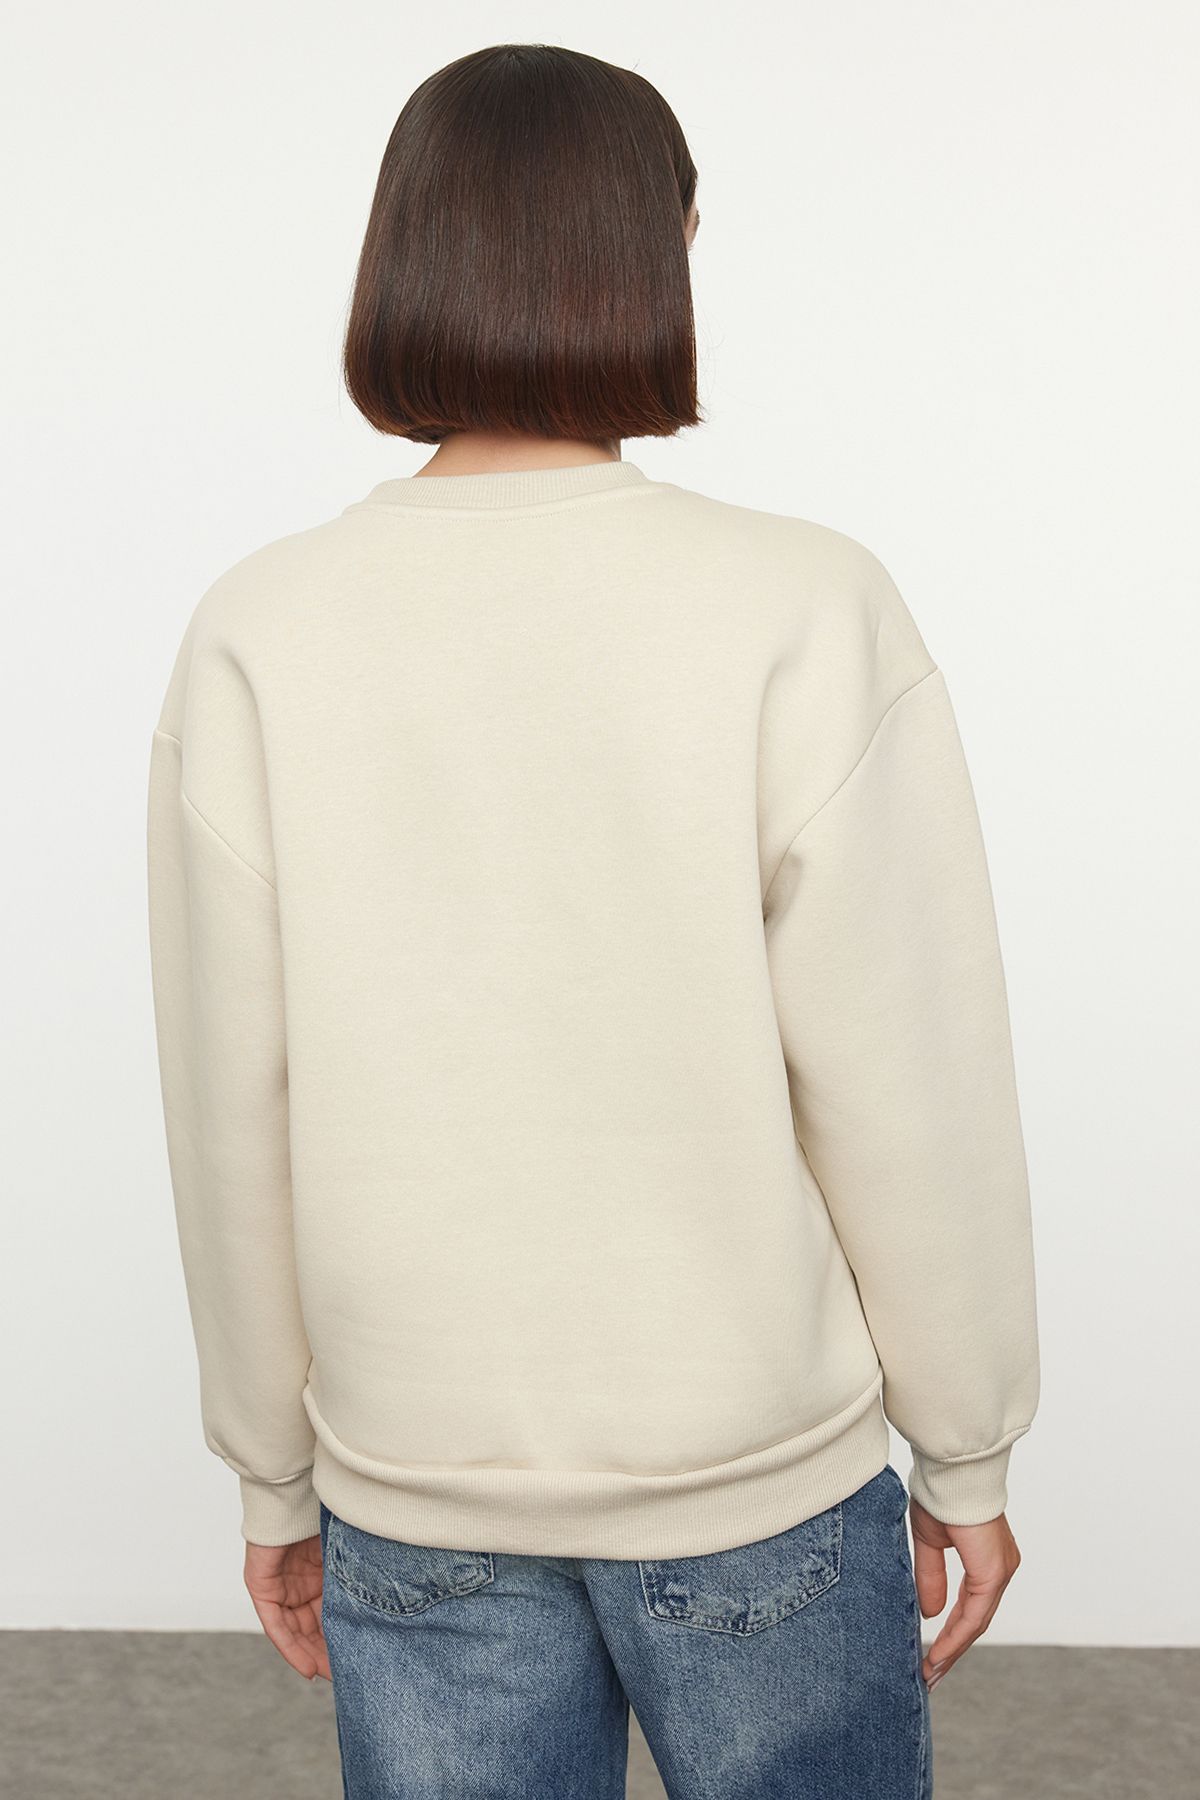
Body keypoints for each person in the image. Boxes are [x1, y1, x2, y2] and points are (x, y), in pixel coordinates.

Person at [146, 41, 1039, 1800]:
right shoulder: (802, 602)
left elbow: (227, 1104)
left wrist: (271, 1470)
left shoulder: (260, 629)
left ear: (405, 254)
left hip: (413, 1479)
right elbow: (903, 1074)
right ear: (661, 255)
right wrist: (969, 1446)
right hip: (754, 1478)